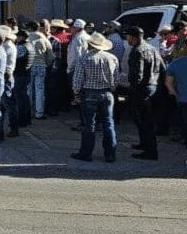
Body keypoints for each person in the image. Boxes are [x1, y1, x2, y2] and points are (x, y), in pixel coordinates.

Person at [70, 31, 119, 163]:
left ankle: (86, 153)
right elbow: (115, 79)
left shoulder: (84, 59)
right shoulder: (112, 58)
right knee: (109, 123)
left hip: (90, 93)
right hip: (107, 93)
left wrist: (76, 93)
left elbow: (78, 79)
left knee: (89, 124)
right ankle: (110, 154)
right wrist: (111, 89)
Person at [125, 26, 163, 160]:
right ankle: (144, 144)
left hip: (141, 89)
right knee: (142, 120)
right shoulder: (152, 48)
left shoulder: (137, 51)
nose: (127, 39)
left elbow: (137, 75)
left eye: (128, 37)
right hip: (152, 86)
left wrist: (133, 90)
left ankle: (150, 152)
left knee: (145, 121)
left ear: (134, 37)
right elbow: (162, 68)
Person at [25, 21, 53, 120]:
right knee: (40, 90)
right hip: (41, 65)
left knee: (28, 89)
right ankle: (39, 113)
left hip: (29, 66)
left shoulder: (27, 38)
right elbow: (50, 55)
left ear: (29, 28)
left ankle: (27, 111)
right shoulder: (44, 39)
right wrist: (46, 64)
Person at [164, 48, 187, 153]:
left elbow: (168, 82)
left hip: (183, 98)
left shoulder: (176, 63)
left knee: (184, 120)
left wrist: (175, 94)